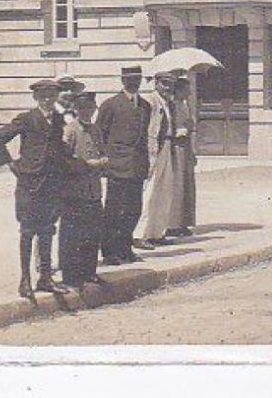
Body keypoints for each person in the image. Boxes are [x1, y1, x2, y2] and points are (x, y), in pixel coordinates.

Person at [0, 79, 75, 297]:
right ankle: (25, 281)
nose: (47, 100)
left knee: (47, 231)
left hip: (52, 184)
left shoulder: (59, 120)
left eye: (51, 96)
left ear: (56, 97)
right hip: (30, 185)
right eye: (43, 96)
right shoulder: (27, 119)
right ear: (36, 98)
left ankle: (45, 278)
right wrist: (10, 164)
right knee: (27, 232)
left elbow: (59, 149)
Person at [96, 64, 152, 264]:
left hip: (137, 165)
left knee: (133, 209)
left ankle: (125, 248)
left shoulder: (146, 106)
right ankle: (110, 252)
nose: (133, 83)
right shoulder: (110, 104)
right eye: (129, 80)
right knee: (114, 210)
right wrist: (103, 162)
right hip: (117, 165)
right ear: (122, 81)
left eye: (137, 79)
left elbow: (144, 136)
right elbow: (99, 134)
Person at [60, 89, 110, 287]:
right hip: (74, 191)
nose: (86, 112)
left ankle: (89, 272)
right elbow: (64, 159)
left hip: (93, 190)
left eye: (90, 108)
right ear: (76, 109)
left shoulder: (96, 129)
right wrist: (88, 164)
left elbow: (102, 150)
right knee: (72, 236)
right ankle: (71, 276)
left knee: (92, 233)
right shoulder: (70, 130)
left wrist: (104, 160)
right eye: (82, 108)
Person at [139, 72, 183, 248]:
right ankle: (141, 234)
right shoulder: (150, 101)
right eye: (164, 83)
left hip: (167, 146)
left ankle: (158, 232)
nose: (167, 88)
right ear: (156, 83)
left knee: (165, 191)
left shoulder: (170, 104)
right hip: (153, 147)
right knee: (150, 191)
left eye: (170, 84)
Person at [169, 73, 197, 237]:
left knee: (187, 184)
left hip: (186, 146)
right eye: (187, 90)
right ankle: (173, 224)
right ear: (179, 90)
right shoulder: (172, 105)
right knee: (177, 184)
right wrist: (179, 130)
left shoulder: (185, 105)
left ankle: (184, 222)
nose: (190, 93)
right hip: (176, 145)